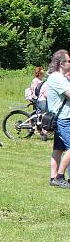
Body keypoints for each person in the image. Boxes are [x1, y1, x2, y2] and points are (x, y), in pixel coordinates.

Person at [45, 49, 70, 188]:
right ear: (61, 63)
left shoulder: (62, 77)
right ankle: (60, 177)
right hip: (63, 119)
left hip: (62, 118)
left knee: (59, 149)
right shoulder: (56, 78)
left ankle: (53, 177)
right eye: (69, 61)